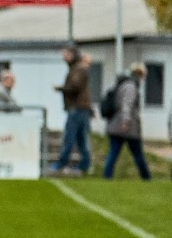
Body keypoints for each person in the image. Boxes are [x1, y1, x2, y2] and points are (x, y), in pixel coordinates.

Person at [102, 63, 151, 180]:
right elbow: (126, 105)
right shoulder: (131, 86)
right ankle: (146, 178)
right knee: (137, 154)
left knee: (114, 152)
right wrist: (126, 120)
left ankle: (107, 176)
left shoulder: (123, 84)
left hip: (116, 126)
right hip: (127, 127)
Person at [49, 47, 93, 176]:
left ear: (73, 55)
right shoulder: (77, 68)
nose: (64, 57)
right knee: (81, 138)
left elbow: (75, 86)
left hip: (77, 108)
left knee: (70, 136)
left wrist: (60, 88)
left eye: (66, 54)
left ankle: (62, 163)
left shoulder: (79, 68)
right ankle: (85, 165)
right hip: (80, 108)